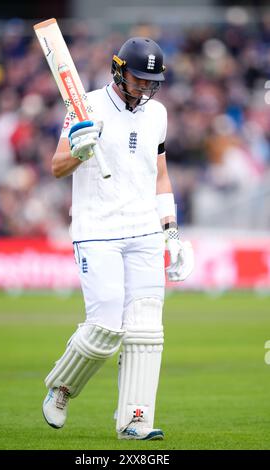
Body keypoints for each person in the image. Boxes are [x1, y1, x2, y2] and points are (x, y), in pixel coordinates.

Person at [42, 37, 194, 440]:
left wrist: (171, 230)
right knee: (106, 326)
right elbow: (58, 167)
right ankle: (62, 388)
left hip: (144, 229)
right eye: (137, 79)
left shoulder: (157, 113)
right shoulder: (85, 105)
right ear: (118, 70)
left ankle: (135, 420)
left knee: (146, 329)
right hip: (97, 231)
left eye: (151, 82)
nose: (144, 89)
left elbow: (159, 174)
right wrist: (81, 150)